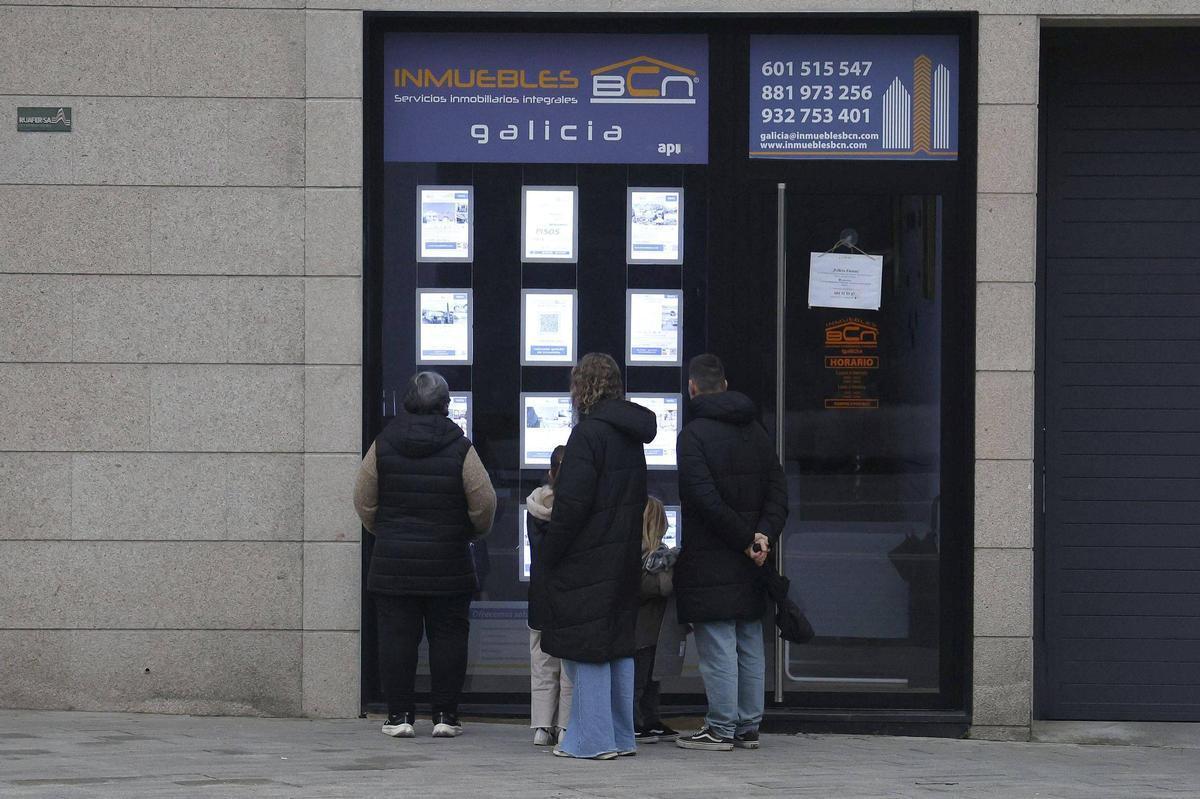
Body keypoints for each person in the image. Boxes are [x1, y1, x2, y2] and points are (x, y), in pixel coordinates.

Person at [353, 371, 497, 740]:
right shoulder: (461, 446)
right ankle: (446, 716)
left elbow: (363, 498)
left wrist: (384, 531)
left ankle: (399, 715)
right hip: (448, 560)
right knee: (448, 638)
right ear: (445, 405)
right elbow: (484, 502)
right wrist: (470, 531)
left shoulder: (382, 444)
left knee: (397, 639)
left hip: (393, 560)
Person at [538, 352, 657, 760]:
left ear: (581, 388)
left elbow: (571, 505)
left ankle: (591, 740)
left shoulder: (587, 436)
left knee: (586, 646)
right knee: (618, 646)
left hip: (587, 556)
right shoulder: (629, 435)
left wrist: (550, 552)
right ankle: (621, 736)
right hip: (622, 554)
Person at [673, 354, 788, 752]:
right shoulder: (756, 431)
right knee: (748, 639)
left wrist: (744, 539)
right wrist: (762, 536)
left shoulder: (692, 435)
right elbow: (778, 490)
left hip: (711, 557)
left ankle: (721, 727)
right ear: (724, 385)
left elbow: (703, 498)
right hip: (752, 557)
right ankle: (748, 726)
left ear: (693, 388)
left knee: (719, 643)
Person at [526, 444, 572, 746]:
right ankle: (566, 725)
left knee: (542, 663)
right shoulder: (577, 508)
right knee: (570, 666)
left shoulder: (535, 506)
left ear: (550, 473)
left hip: (540, 594)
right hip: (569, 595)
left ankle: (542, 726)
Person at [633, 497, 680, 744]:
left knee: (652, 679)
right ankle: (634, 721)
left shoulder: (659, 555)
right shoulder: (638, 555)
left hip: (655, 630)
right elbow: (650, 587)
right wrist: (666, 579)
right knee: (639, 680)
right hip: (640, 630)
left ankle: (650, 719)